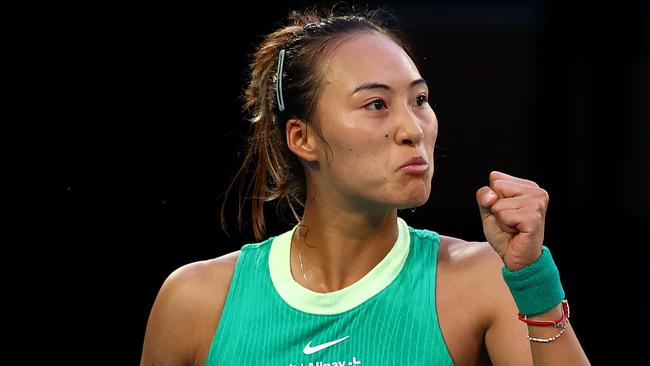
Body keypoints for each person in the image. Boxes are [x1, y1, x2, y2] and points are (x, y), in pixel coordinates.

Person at [141, 7, 590, 365]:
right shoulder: (193, 301)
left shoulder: (484, 281)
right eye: (376, 104)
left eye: (419, 100)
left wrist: (533, 281)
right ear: (303, 137)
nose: (413, 128)